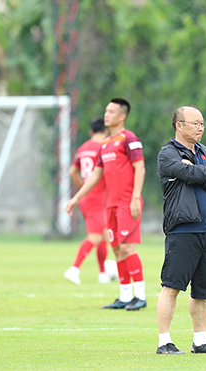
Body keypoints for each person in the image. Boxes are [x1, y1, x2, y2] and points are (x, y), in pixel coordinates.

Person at [155, 106, 206, 355]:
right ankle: (164, 342)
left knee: (203, 291)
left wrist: (199, 171)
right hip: (183, 230)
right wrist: (203, 171)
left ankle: (200, 341)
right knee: (172, 286)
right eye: (195, 123)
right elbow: (187, 172)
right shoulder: (168, 154)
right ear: (179, 125)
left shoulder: (205, 151)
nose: (200, 128)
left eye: (202, 123)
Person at [65, 98, 147, 311]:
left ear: (122, 116)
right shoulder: (105, 145)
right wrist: (75, 198)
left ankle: (140, 295)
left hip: (127, 204)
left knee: (128, 247)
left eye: (111, 111)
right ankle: (125, 296)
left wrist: (135, 197)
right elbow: (94, 176)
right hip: (110, 205)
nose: (106, 115)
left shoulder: (129, 139)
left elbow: (140, 168)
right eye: (106, 110)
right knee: (118, 249)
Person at [64, 118, 112, 285]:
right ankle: (74, 268)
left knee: (104, 234)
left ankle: (103, 273)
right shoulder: (104, 147)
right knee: (96, 237)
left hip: (88, 197)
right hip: (97, 198)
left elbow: (72, 171)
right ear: (106, 131)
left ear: (91, 132)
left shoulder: (83, 147)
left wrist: (83, 187)